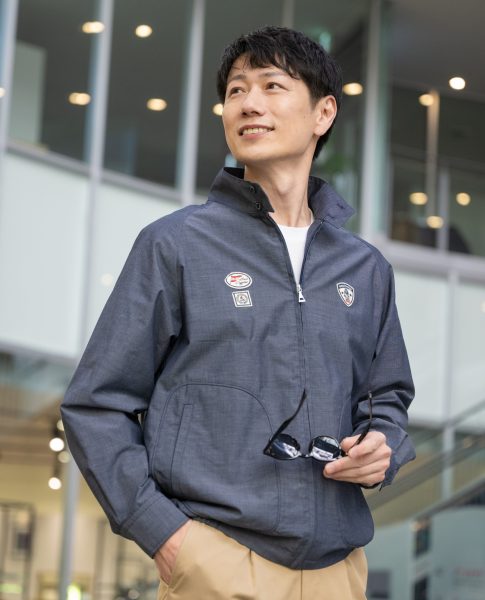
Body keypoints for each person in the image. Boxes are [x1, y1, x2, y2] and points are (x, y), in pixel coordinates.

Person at [61, 26, 415, 600]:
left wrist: (382, 447)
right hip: (214, 561)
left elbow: (388, 397)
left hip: (339, 571)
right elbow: (96, 404)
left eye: (272, 86)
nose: (248, 103)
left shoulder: (365, 269)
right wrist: (167, 536)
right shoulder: (176, 244)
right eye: (235, 90)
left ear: (323, 112)